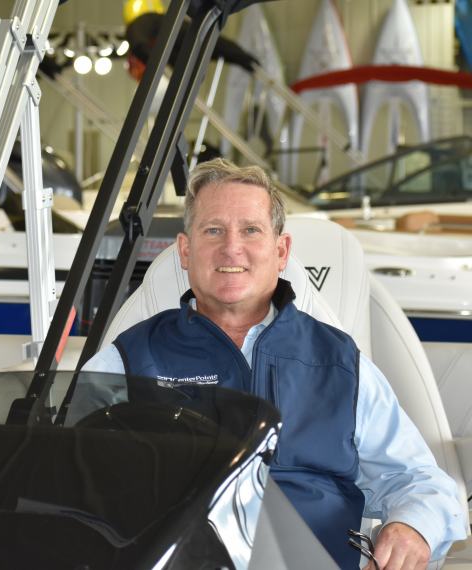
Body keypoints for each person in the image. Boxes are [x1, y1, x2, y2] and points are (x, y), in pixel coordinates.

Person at [71, 158, 467, 570]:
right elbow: (69, 476)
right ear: (185, 251)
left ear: (281, 251)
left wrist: (412, 527)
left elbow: (419, 481)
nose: (231, 247)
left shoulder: (341, 364)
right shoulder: (128, 360)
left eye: (251, 230)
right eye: (213, 230)